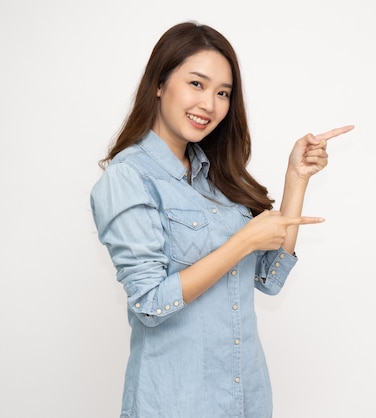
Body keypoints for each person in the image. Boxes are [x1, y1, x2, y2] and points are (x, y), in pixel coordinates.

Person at [90, 21, 353, 418]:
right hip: (175, 402)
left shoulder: (216, 177)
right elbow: (149, 303)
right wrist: (243, 241)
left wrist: (296, 180)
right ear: (159, 83)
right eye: (197, 84)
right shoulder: (129, 178)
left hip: (245, 397)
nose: (209, 104)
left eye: (223, 93)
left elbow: (269, 279)